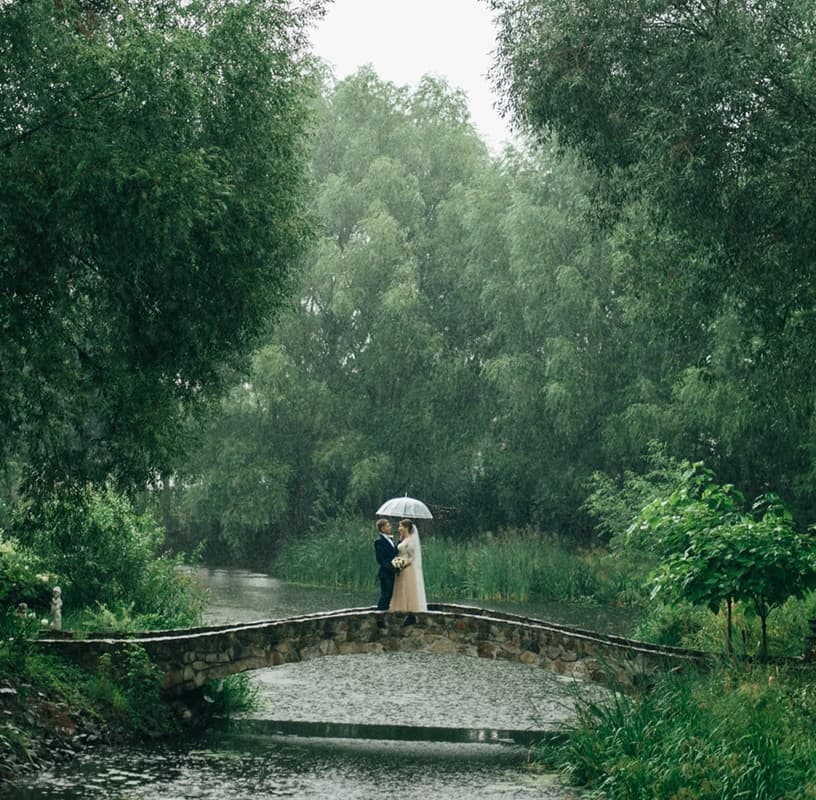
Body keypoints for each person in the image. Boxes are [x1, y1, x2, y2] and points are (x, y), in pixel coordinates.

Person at [389, 518, 427, 612]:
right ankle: (399, 608)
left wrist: (403, 564)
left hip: (406, 568)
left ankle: (407, 609)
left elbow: (412, 557)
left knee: (406, 588)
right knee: (399, 587)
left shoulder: (410, 541)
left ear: (406, 528)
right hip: (400, 568)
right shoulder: (402, 539)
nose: (399, 528)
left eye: (401, 526)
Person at [374, 518, 397, 610]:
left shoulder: (390, 539)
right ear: (382, 528)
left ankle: (386, 612)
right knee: (385, 594)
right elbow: (380, 559)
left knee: (390, 594)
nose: (390, 527)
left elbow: (394, 553)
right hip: (386, 573)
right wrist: (392, 567)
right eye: (388, 526)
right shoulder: (379, 541)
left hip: (392, 573)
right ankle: (379, 614)